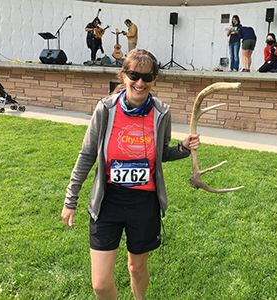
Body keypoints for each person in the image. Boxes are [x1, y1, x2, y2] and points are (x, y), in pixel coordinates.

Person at [61, 48, 201, 300]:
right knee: (101, 285)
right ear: (123, 75)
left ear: (154, 79)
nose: (140, 82)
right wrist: (71, 199)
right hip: (107, 202)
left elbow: (161, 153)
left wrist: (182, 148)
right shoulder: (105, 109)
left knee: (137, 268)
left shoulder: (161, 112)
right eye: (134, 75)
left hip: (144, 204)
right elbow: (87, 155)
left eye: (147, 77)